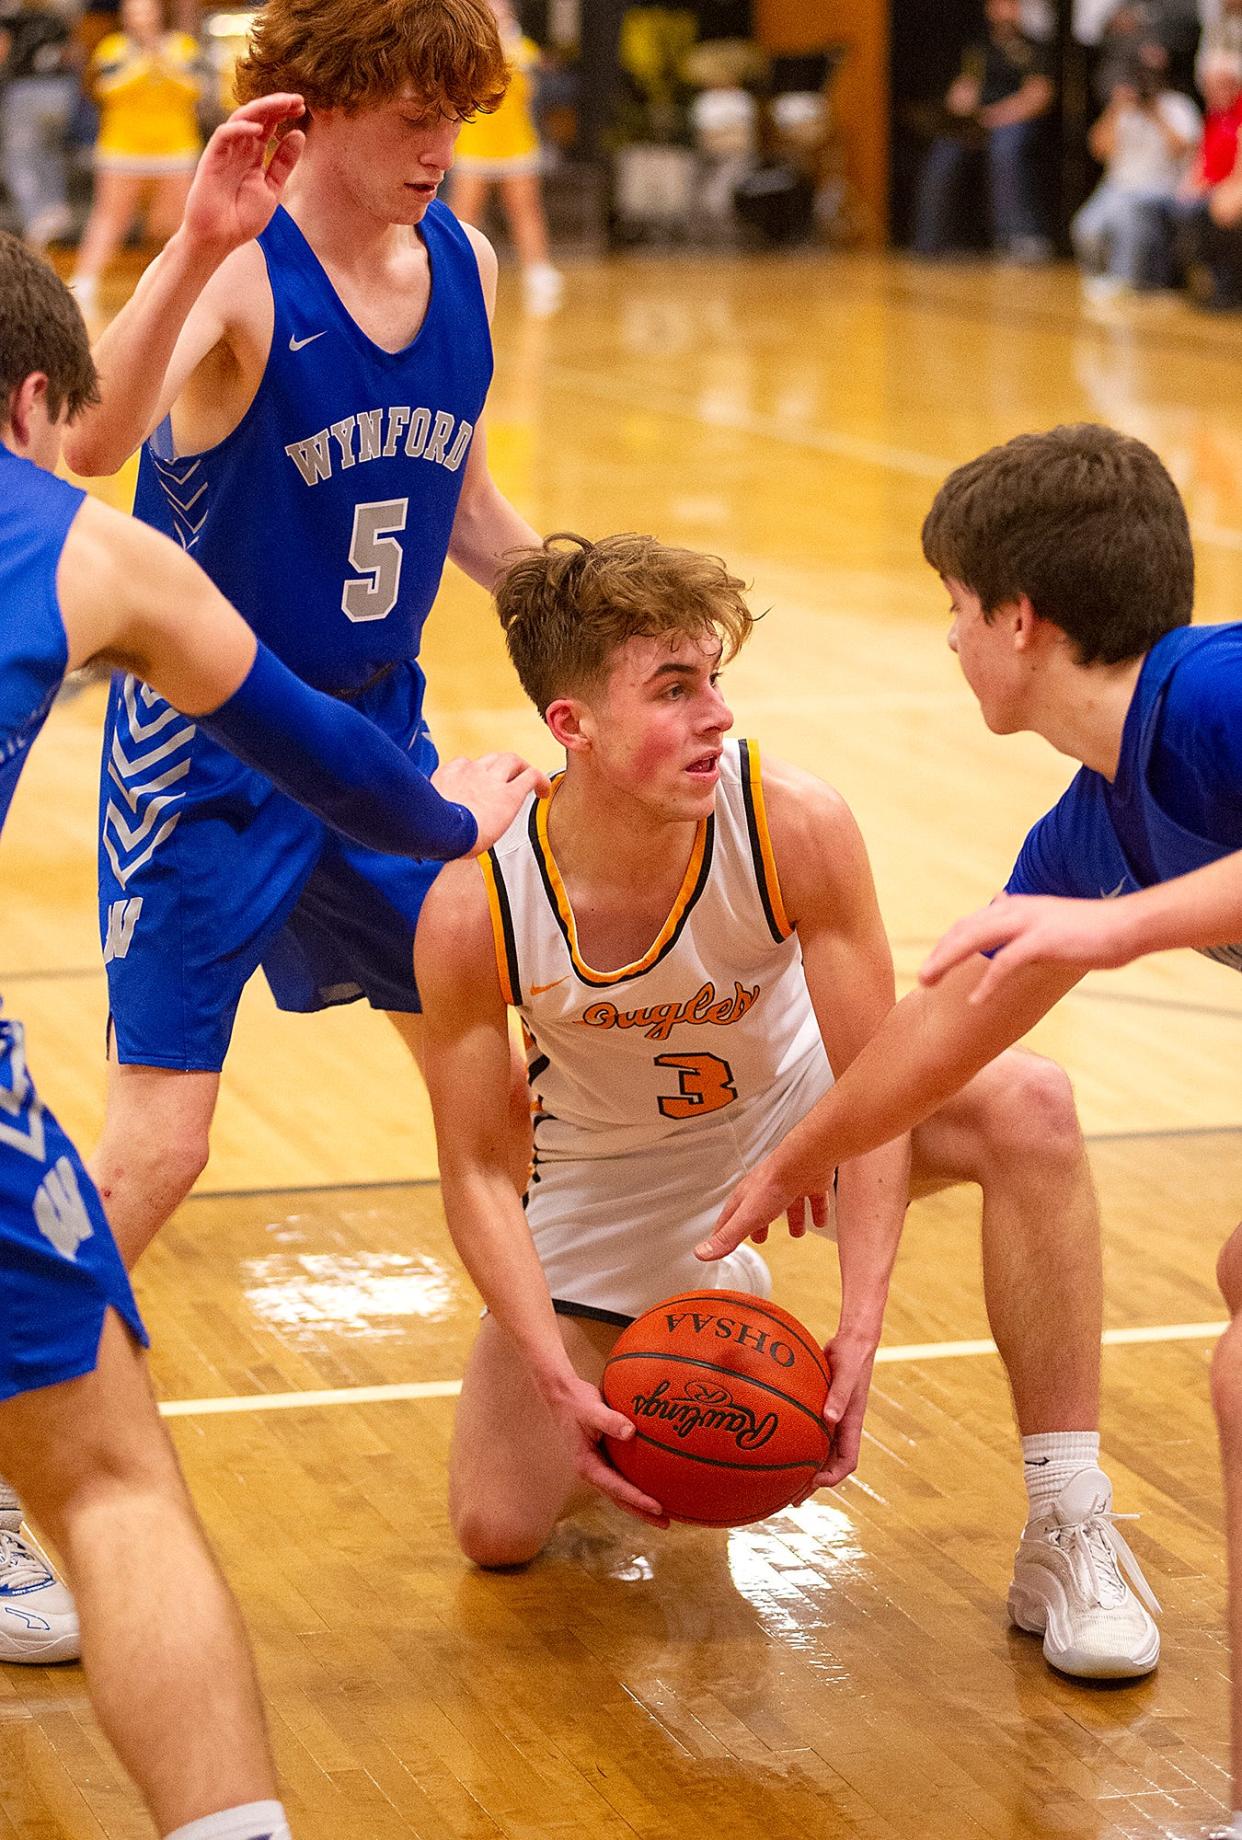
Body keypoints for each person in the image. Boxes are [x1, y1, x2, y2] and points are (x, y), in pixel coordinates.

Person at [0, 235, 544, 1837]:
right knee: (107, 1478)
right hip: (258, 765)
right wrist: (458, 825)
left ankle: (568, 1357)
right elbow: (309, 741)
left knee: (486, 1083)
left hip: (367, 720)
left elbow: (463, 520)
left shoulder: (457, 272)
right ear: (32, 402)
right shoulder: (86, 544)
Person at [414, 530, 1161, 1682]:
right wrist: (554, 1370)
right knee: (496, 1530)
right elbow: (473, 1170)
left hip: (799, 1106)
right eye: (673, 690)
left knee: (1032, 1106)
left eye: (715, 677)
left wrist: (861, 1321)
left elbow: (881, 1081)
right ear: (573, 728)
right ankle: (679, 1300)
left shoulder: (793, 822)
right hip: (612, 1175)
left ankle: (1070, 1520)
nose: (716, 714)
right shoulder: (478, 902)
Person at [695, 420, 1242, 1823]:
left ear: (1017, 617)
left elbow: (1090, 937)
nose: (945, 640)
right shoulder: (1098, 819)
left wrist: (1114, 934)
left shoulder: (1213, 695)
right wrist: (789, 1164)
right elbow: (942, 1030)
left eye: (953, 605)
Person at [70, 0, 211, 313]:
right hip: (123, 151)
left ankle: (187, 290)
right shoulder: (113, 48)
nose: (140, 18)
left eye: (145, 11)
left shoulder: (182, 47)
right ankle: (84, 286)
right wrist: (145, 63)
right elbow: (107, 89)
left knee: (175, 224)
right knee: (109, 220)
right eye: (134, 12)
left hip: (174, 151)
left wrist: (163, 62)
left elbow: (195, 89)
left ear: (158, 14)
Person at [912, 0, 1055, 264]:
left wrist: (999, 116)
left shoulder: (1034, 48)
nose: (1006, 11)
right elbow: (965, 87)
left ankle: (1018, 238)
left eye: (1012, 5)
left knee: (1005, 149)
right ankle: (930, 242)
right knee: (944, 151)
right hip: (979, 121)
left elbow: (1038, 96)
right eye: (1000, 4)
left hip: (1015, 120)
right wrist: (959, 104)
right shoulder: (980, 47)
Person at [451, 0, 563, 315]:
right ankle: (452, 273)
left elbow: (529, 90)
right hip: (475, 143)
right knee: (463, 214)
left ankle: (538, 271)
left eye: (503, 11)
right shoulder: (466, 49)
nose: (499, 14)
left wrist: (511, 47)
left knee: (525, 208)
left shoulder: (522, 49)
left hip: (516, 144)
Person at [1072, 59, 1200, 296]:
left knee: (1128, 217)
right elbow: (1098, 149)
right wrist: (1114, 110)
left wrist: (1156, 115)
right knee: (1086, 227)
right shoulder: (1122, 108)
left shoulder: (1177, 106)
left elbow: (1183, 150)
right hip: (1116, 187)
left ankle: (1125, 281)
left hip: (1159, 188)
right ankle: (1099, 276)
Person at [0, 0, 78, 251]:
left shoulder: (13, 17)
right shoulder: (56, 17)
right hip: (62, 92)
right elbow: (74, 55)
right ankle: (56, 208)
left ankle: (38, 217)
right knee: (47, 152)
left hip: (28, 89)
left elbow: (2, 49)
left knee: (17, 159)